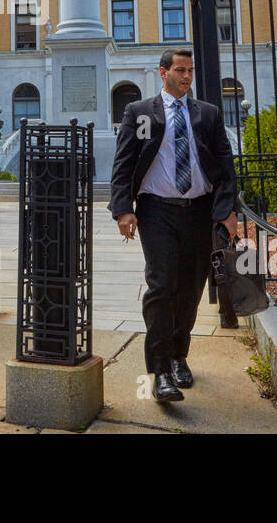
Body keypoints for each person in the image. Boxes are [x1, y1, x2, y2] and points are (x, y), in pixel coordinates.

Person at [109, 47, 239, 403]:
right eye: (180, 70)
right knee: (162, 286)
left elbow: (226, 168)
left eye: (190, 70)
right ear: (163, 72)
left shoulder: (208, 115)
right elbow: (124, 163)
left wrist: (228, 210)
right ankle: (161, 370)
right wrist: (124, 209)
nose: (186, 77)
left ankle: (181, 355)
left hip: (200, 212)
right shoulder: (140, 113)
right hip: (156, 211)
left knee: (191, 289)